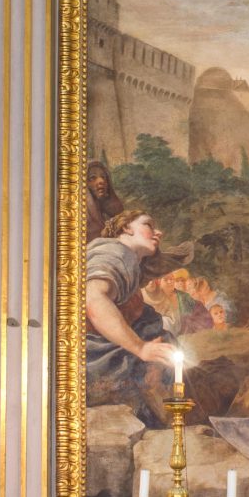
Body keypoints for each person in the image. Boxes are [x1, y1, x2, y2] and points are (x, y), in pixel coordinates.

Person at [84, 209, 188, 402]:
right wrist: (140, 348)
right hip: (93, 356)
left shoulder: (126, 257)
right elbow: (93, 297)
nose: (159, 233)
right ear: (126, 228)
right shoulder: (117, 252)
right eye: (148, 225)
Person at [84, 159, 125, 242]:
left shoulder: (111, 215)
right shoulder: (82, 217)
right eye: (92, 178)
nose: (101, 181)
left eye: (103, 177)